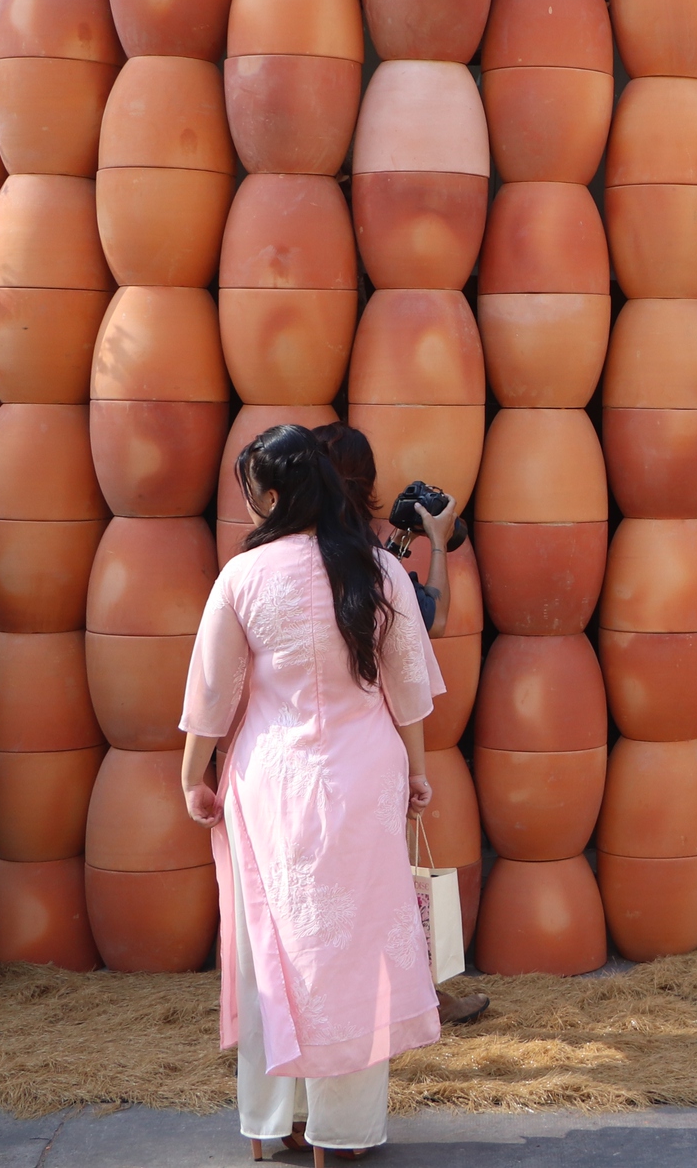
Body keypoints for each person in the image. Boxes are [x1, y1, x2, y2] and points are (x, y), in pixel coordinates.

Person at [182, 425, 441, 1163]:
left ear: (268, 493)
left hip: (273, 781)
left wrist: (191, 772)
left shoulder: (245, 576)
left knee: (274, 949)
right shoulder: (379, 570)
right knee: (352, 956)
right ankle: (342, 1134)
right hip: (363, 776)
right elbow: (410, 691)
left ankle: (273, 1125)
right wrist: (418, 776)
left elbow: (211, 692)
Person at [306, 423, 487, 1028]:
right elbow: (428, 619)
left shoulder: (272, 559)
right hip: (365, 751)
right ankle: (414, 1002)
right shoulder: (373, 565)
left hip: (294, 759)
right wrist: (437, 543)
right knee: (382, 887)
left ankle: (334, 1011)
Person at [311, 424, 454, 633]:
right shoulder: (350, 539)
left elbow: (375, 584)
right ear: (367, 480)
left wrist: (398, 542)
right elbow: (435, 622)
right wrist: (438, 541)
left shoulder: (300, 531)